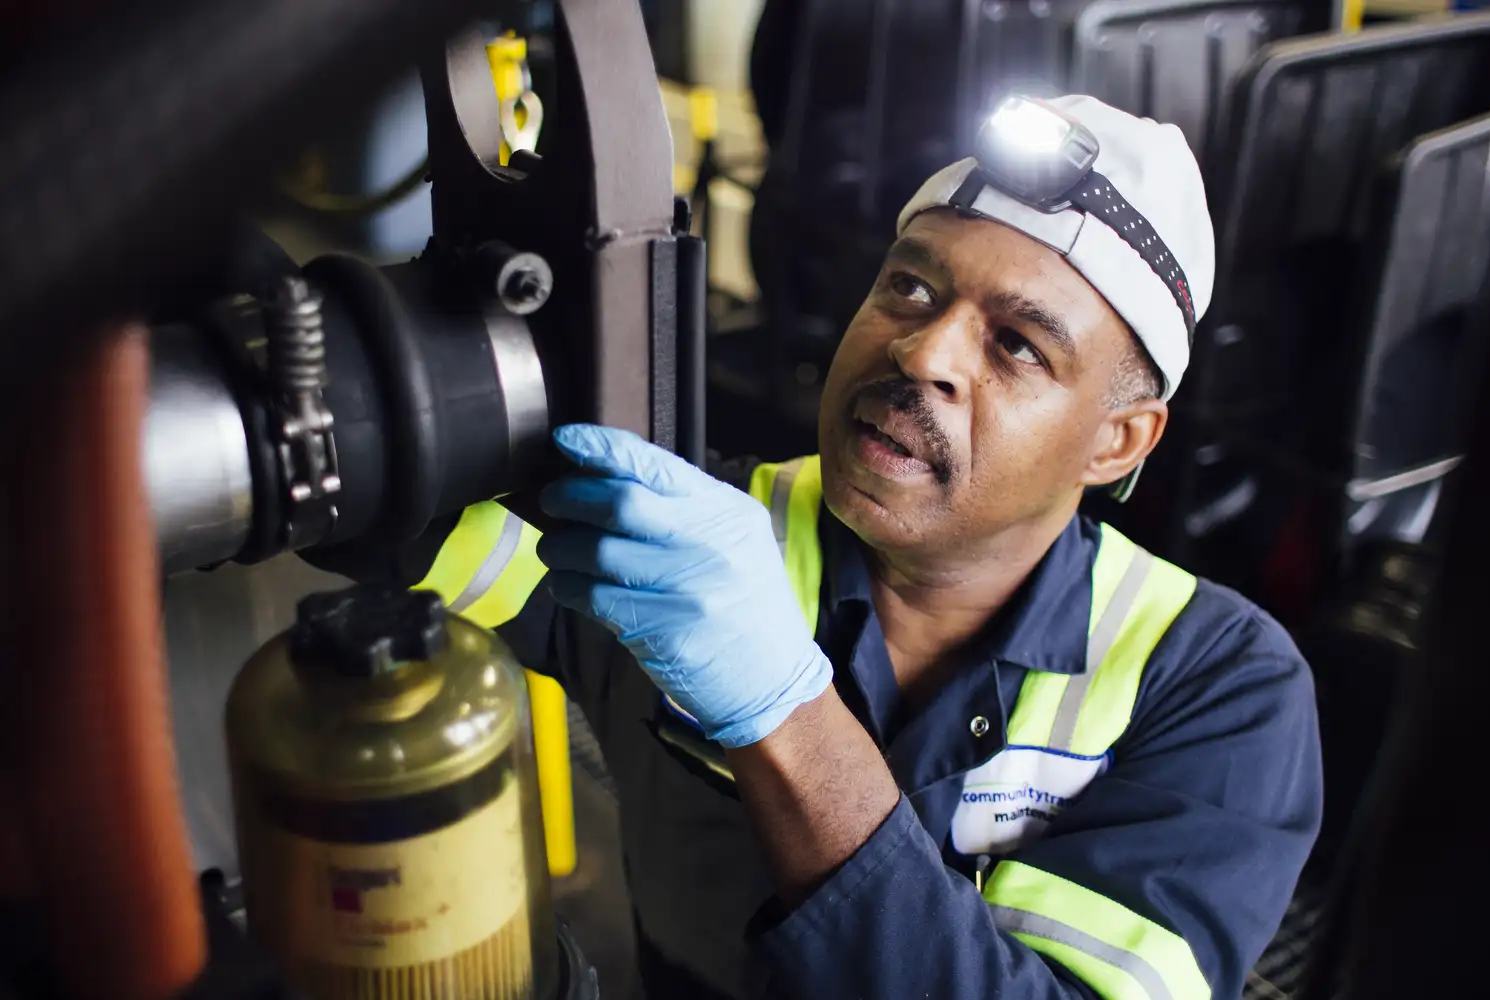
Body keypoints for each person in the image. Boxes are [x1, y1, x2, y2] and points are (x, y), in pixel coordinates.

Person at [344, 95, 1322, 1000]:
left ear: (1117, 442)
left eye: (1018, 344)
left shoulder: (1218, 685)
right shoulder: (679, 536)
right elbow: (370, 475)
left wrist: (782, 710)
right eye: (909, 285)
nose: (922, 352)